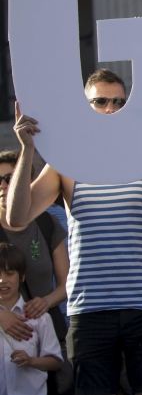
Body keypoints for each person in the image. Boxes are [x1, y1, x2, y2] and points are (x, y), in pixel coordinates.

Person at [8, 69, 142, 395]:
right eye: (100, 101)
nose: (111, 109)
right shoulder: (65, 163)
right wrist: (27, 150)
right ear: (85, 107)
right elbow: (16, 219)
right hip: (90, 308)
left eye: (119, 102)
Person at [0, 150, 69, 395]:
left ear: (27, 181)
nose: (2, 186)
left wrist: (46, 301)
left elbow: (67, 282)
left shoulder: (47, 223)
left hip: (45, 330)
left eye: (9, 178)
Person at [0, 243, 62, 395]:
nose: (2, 280)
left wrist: (30, 361)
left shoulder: (39, 318)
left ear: (22, 276)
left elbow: (55, 361)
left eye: (9, 273)